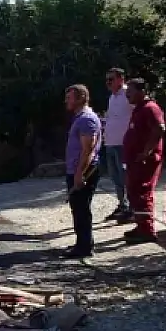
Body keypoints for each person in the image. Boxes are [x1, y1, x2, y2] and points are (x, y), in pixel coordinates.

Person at [121, 78, 166, 243]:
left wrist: (147, 152)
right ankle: (141, 225)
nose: (127, 95)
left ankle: (147, 230)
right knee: (134, 191)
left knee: (142, 192)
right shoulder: (139, 109)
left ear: (142, 91)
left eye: (130, 92)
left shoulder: (150, 108)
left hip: (145, 160)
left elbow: (160, 128)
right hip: (135, 160)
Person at [63, 84, 102, 258]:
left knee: (81, 209)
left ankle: (85, 247)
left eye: (69, 97)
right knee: (77, 208)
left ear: (81, 98)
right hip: (75, 169)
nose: (66, 101)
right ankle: (82, 243)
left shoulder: (87, 119)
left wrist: (80, 173)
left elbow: (89, 149)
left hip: (84, 171)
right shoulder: (79, 118)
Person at [101, 68, 133, 221]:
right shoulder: (112, 97)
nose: (108, 83)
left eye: (111, 79)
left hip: (123, 143)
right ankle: (122, 205)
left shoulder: (128, 94)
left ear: (121, 79)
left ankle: (131, 208)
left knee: (125, 176)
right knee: (115, 177)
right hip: (111, 143)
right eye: (107, 80)